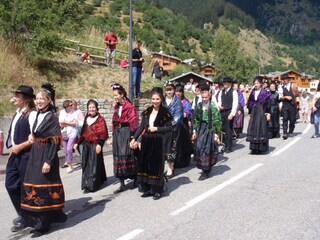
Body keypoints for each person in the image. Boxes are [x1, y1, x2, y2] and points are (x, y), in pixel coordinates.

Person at [21, 84, 67, 238]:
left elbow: (56, 140)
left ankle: (43, 223)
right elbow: (36, 132)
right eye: (38, 98)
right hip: (35, 153)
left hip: (46, 154)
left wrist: (48, 161)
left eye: (42, 99)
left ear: (49, 101)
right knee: (33, 184)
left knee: (43, 186)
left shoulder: (52, 117)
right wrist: (31, 135)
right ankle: (38, 220)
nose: (39, 101)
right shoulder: (38, 114)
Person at [129, 87, 173, 200]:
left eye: (157, 99)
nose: (155, 101)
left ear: (161, 99)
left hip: (158, 140)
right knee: (147, 165)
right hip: (147, 140)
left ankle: (157, 190)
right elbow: (142, 126)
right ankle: (148, 188)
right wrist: (134, 138)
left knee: (156, 165)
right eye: (153, 99)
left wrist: (157, 129)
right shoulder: (147, 111)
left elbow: (169, 128)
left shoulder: (165, 112)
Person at [5, 85, 36, 233]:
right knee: (10, 184)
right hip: (15, 154)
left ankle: (27, 217)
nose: (14, 98)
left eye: (17, 96)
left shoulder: (32, 114)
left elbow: (35, 137)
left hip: (26, 155)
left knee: (26, 187)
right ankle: (23, 214)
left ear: (26, 99)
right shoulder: (17, 113)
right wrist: (13, 148)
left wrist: (21, 146)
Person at [74, 99, 108, 193]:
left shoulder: (100, 120)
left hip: (95, 144)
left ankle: (93, 185)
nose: (91, 109)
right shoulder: (87, 118)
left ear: (96, 108)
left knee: (94, 165)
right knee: (85, 164)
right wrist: (77, 143)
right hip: (86, 144)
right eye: (90, 107)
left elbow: (103, 133)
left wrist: (100, 144)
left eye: (93, 107)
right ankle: (86, 184)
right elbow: (83, 133)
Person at [111, 83, 139, 193]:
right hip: (118, 134)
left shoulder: (129, 106)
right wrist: (113, 135)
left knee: (128, 155)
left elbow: (134, 121)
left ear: (122, 94)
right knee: (118, 156)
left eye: (116, 95)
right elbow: (114, 122)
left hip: (126, 132)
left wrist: (133, 137)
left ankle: (135, 178)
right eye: (113, 95)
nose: (115, 97)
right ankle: (122, 183)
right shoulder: (116, 107)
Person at [192, 85, 222, 180]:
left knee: (207, 149)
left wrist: (216, 134)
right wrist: (194, 130)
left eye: (206, 97)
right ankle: (203, 166)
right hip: (201, 129)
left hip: (210, 129)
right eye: (203, 97)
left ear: (209, 97)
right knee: (199, 148)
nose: (204, 99)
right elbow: (196, 119)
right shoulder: (199, 105)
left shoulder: (212, 106)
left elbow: (217, 120)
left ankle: (206, 170)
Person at [246, 76, 271, 154]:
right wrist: (249, 114)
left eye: (257, 83)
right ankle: (254, 148)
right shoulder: (252, 92)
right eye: (255, 83)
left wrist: (268, 113)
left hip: (261, 111)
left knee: (260, 128)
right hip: (254, 111)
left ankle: (261, 148)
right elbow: (250, 103)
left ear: (261, 84)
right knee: (254, 128)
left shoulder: (265, 92)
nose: (256, 84)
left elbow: (268, 104)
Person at [162, 83, 183, 177]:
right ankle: (165, 167)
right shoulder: (162, 100)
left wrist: (169, 124)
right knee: (163, 148)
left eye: (170, 90)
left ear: (174, 90)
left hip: (173, 128)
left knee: (172, 148)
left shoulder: (177, 101)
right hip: (163, 128)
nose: (169, 92)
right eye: (167, 90)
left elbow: (178, 116)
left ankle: (171, 168)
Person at [217, 77, 238, 153]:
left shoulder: (233, 92)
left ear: (230, 83)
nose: (224, 84)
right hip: (222, 111)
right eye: (224, 82)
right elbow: (219, 100)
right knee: (223, 129)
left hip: (229, 111)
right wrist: (219, 105)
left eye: (226, 82)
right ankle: (224, 144)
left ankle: (229, 146)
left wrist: (232, 114)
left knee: (228, 129)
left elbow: (235, 104)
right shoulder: (221, 91)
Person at [174, 84, 193, 168]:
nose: (178, 93)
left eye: (180, 92)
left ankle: (185, 160)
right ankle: (176, 160)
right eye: (177, 91)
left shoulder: (185, 101)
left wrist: (186, 113)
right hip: (175, 125)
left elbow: (189, 111)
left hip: (183, 125)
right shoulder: (172, 101)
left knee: (184, 142)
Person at [59, 100, 79, 173]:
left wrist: (66, 123)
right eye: (70, 105)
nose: (71, 106)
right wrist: (70, 123)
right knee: (65, 150)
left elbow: (75, 123)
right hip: (64, 132)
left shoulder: (74, 112)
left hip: (72, 132)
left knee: (69, 149)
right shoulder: (62, 112)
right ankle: (67, 161)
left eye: (71, 105)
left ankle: (70, 165)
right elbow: (61, 123)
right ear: (66, 106)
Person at [278, 74, 299, 139]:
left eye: (286, 79)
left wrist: (297, 92)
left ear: (288, 80)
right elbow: (280, 97)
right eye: (284, 79)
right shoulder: (281, 87)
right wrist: (286, 97)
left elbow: (298, 94)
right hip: (285, 105)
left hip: (293, 105)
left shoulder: (293, 85)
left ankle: (290, 131)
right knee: (285, 119)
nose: (285, 80)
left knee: (292, 120)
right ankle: (285, 133)